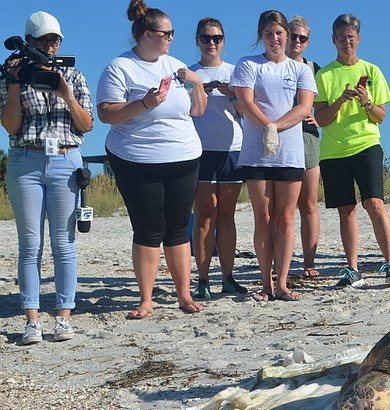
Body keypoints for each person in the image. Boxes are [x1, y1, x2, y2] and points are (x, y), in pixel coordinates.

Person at [97, 0, 208, 319]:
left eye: (173, 33)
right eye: (167, 33)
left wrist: (197, 83)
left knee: (177, 228)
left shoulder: (175, 65)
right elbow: (107, 113)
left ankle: (184, 296)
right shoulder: (120, 67)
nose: (172, 38)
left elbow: (197, 110)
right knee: (148, 229)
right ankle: (145, 300)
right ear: (147, 34)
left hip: (184, 157)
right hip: (136, 160)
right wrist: (145, 103)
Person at [1, 11, 93, 344]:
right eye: (44, 40)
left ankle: (64, 318)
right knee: (29, 244)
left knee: (64, 244)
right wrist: (14, 85)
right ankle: (32, 321)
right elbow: (11, 126)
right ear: (29, 43)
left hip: (66, 158)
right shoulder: (12, 75)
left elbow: (86, 124)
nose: (51, 46)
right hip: (26, 159)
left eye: (55, 40)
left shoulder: (73, 75)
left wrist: (66, 94)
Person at [231, 10, 316, 302]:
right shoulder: (248, 64)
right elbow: (244, 100)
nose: (275, 38)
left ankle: (282, 283)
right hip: (256, 153)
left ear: (287, 36)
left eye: (279, 33)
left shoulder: (300, 69)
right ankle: (265, 283)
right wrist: (266, 126)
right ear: (261, 36)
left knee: (285, 217)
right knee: (263, 217)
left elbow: (304, 107)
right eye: (268, 33)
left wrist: (276, 127)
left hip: (290, 153)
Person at [314, 14, 390, 287]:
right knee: (345, 209)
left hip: (366, 145)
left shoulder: (372, 70)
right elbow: (321, 119)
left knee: (374, 203)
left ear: (358, 39)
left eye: (351, 36)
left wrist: (366, 102)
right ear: (333, 40)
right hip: (334, 151)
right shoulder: (324, 74)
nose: (346, 41)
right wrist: (341, 99)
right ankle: (352, 268)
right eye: (341, 37)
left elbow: (381, 116)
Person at [188, 17, 247, 299]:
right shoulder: (187, 73)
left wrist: (233, 96)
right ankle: (202, 279)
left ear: (224, 41)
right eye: (205, 38)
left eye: (217, 38)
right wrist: (200, 91)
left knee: (227, 215)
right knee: (204, 216)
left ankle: (227, 277)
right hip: (199, 150)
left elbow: (248, 114)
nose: (211, 43)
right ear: (197, 40)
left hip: (232, 148)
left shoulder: (236, 72)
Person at [286, 15, 322, 278]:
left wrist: (317, 118)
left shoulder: (313, 67)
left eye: (302, 37)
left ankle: (309, 262)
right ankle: (280, 262)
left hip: (307, 135)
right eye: (293, 36)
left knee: (308, 204)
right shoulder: (273, 64)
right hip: (280, 135)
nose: (297, 41)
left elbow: (323, 104)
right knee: (281, 208)